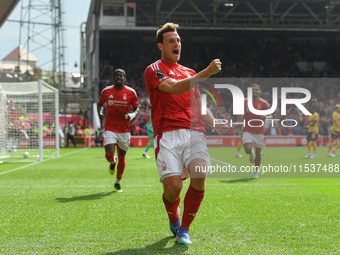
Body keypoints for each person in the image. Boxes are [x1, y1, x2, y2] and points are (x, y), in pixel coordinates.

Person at [144, 23, 228, 245]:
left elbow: (199, 106)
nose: (176, 44)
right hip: (167, 134)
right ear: (161, 46)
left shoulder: (190, 72)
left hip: (194, 133)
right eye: (171, 41)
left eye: (178, 40)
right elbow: (173, 88)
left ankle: (184, 229)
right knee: (173, 189)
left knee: (200, 174)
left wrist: (213, 121)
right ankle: (173, 216)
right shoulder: (154, 69)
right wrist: (207, 72)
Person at [97, 68, 139, 192]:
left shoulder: (131, 92)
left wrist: (132, 115)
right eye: (116, 76)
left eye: (121, 76)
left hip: (124, 130)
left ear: (124, 78)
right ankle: (112, 161)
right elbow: (100, 104)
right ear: (113, 78)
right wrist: (100, 111)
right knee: (109, 155)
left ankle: (118, 182)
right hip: (110, 127)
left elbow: (137, 108)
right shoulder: (106, 91)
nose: (118, 77)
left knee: (122, 157)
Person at [236, 84, 269, 179]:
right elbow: (240, 113)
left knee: (258, 152)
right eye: (252, 90)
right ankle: (251, 153)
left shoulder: (263, 103)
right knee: (247, 148)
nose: (254, 91)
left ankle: (255, 171)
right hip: (247, 129)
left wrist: (265, 116)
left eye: (256, 90)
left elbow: (268, 115)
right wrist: (237, 122)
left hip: (259, 131)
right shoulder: (245, 102)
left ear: (259, 91)